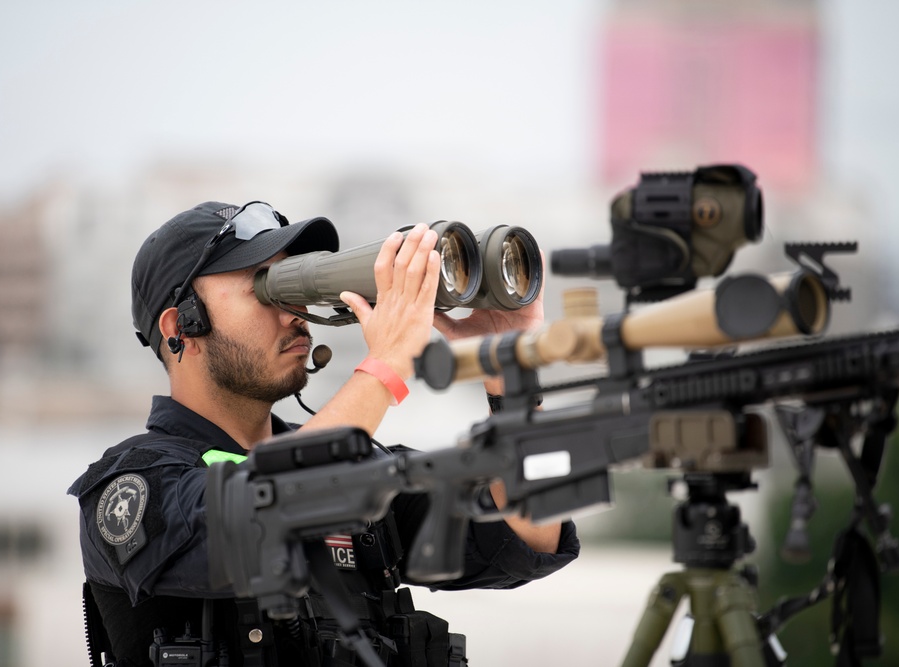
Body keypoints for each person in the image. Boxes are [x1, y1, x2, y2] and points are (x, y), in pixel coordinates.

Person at [69, 200, 580, 667]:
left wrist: (512, 373)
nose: (294, 313)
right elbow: (252, 518)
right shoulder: (133, 487)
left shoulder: (359, 468)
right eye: (264, 287)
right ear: (182, 325)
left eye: (293, 285)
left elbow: (526, 533)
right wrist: (385, 366)